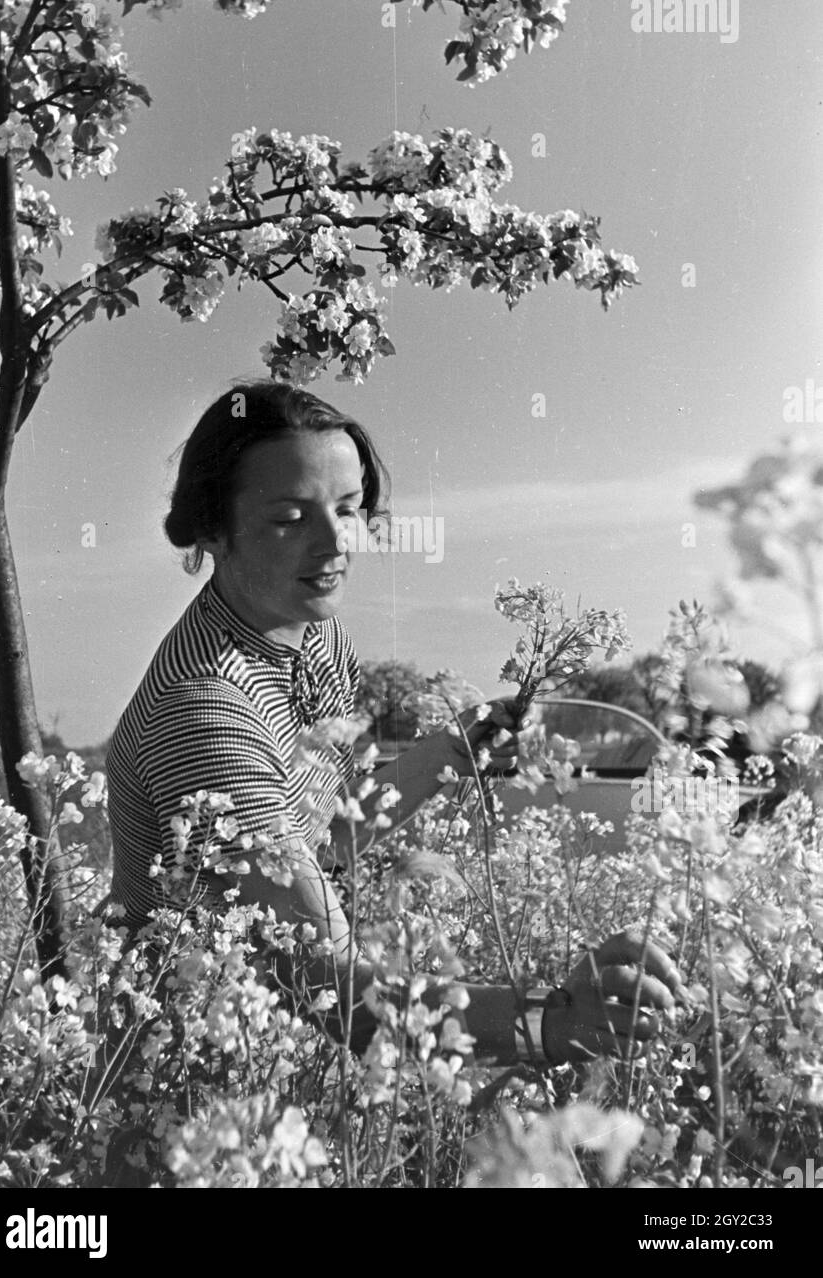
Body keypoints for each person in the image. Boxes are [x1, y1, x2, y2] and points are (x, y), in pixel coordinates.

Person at [105, 379, 681, 1070]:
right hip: (188, 1079)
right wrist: (550, 1022)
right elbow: (326, 985)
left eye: (347, 510)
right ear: (212, 527)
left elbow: (328, 828)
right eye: (290, 517)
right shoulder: (204, 710)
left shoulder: (312, 636)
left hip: (274, 1050)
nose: (334, 543)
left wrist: (450, 751)